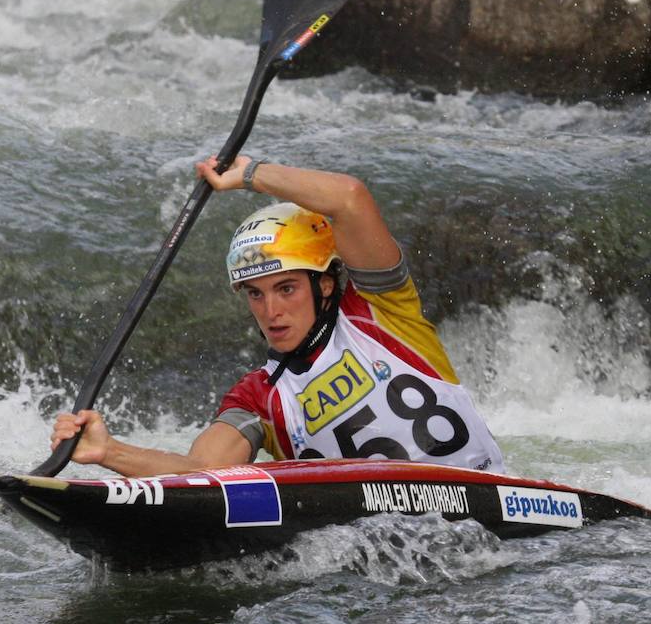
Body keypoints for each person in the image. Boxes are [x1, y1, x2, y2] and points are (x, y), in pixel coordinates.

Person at [50, 156, 504, 476]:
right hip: (397, 550)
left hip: (486, 505)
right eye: (255, 294)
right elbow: (202, 472)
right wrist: (110, 452)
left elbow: (349, 198)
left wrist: (250, 174)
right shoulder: (258, 398)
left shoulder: (383, 312)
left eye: (286, 288)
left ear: (324, 285)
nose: (271, 310)